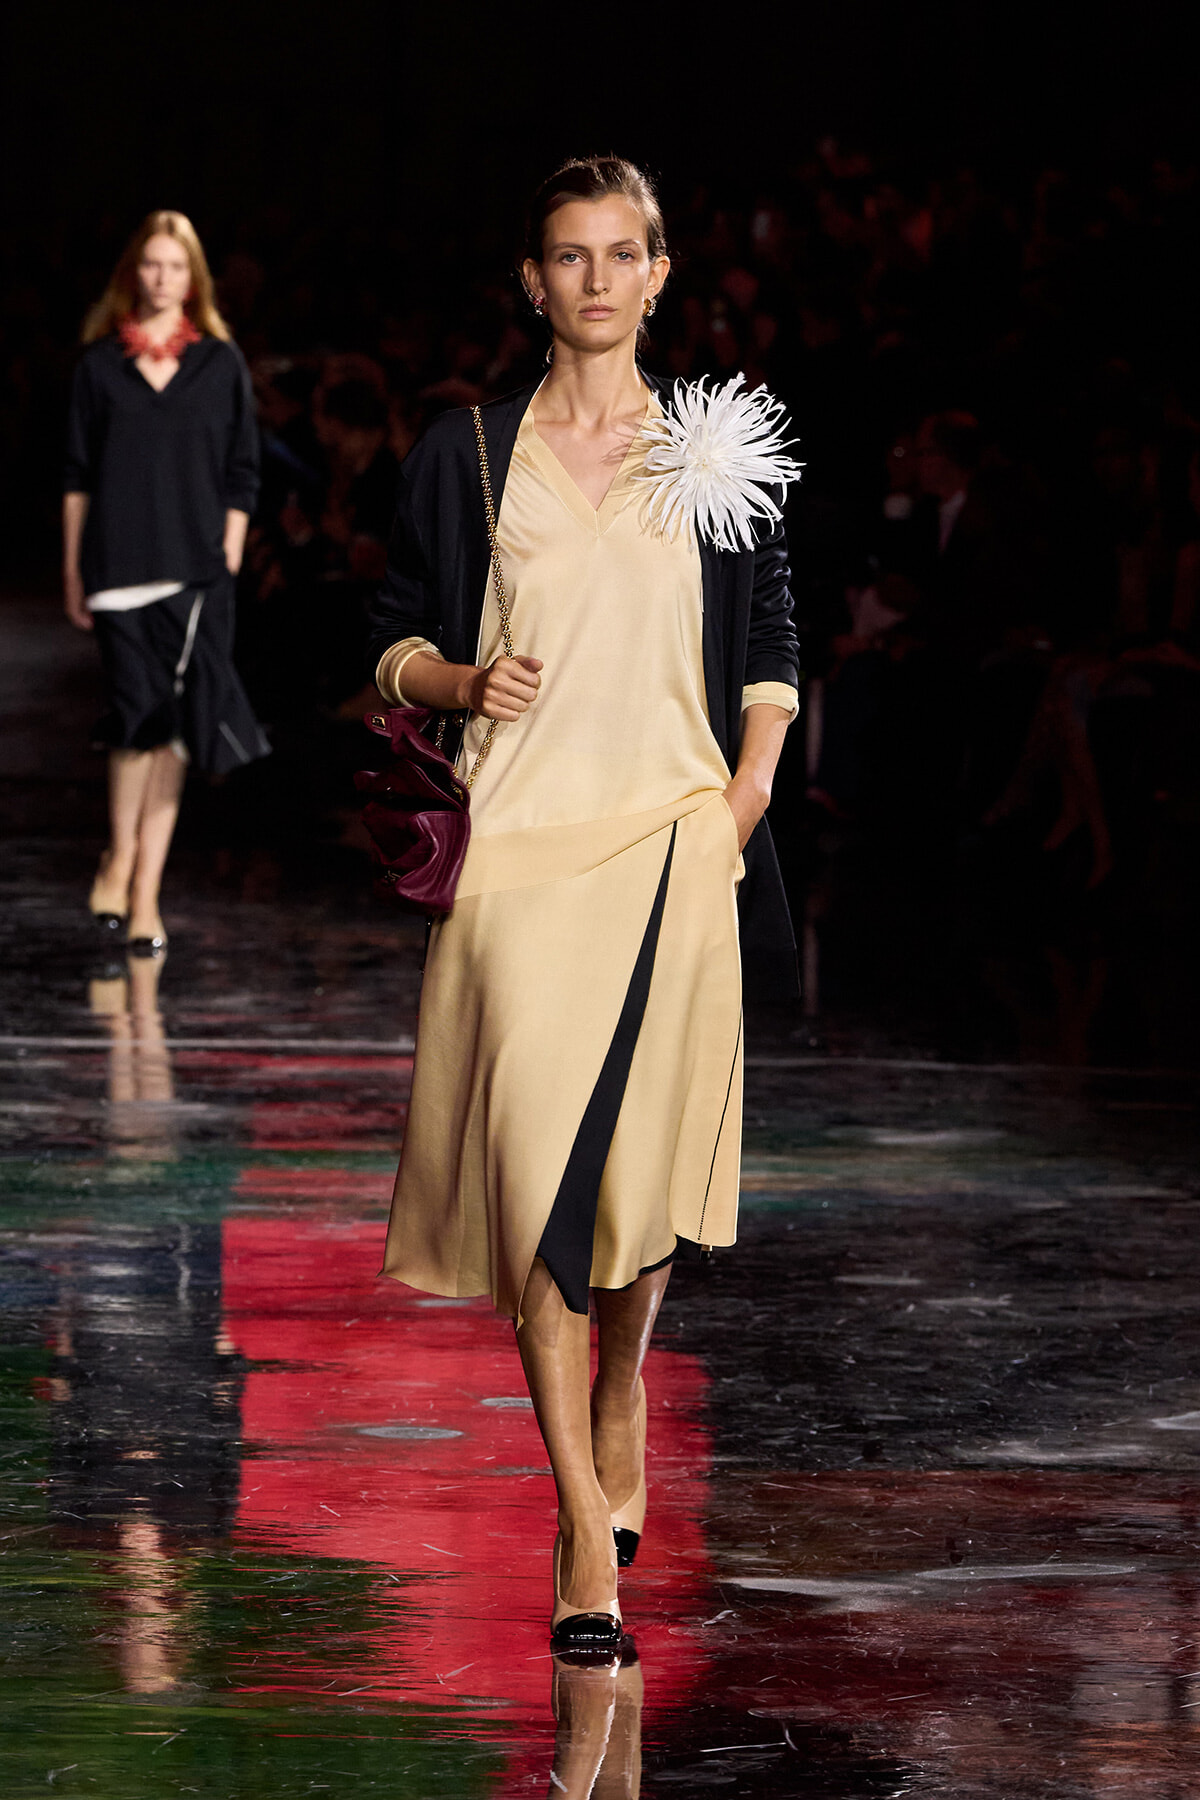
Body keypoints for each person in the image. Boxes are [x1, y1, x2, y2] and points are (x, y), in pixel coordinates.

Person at [368, 157, 800, 1650]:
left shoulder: (712, 447)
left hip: (675, 844)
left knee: (636, 1191)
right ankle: (576, 1518)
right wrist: (457, 678)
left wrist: (743, 796)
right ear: (533, 279)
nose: (599, 278)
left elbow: (774, 641)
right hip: (520, 853)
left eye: (625, 253)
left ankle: (621, 1384)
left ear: (663, 274)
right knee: (537, 1193)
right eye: (571, 254)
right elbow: (388, 641)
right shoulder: (468, 452)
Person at [63, 209, 268, 955]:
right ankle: (119, 858)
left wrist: (231, 557)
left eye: (175, 266)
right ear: (133, 273)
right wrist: (71, 568)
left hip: (197, 571)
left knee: (176, 734)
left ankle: (145, 892)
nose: (161, 277)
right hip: (117, 568)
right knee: (135, 722)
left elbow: (243, 470)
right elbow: (77, 475)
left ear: (193, 279)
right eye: (150, 264)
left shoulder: (220, 364)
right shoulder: (98, 367)